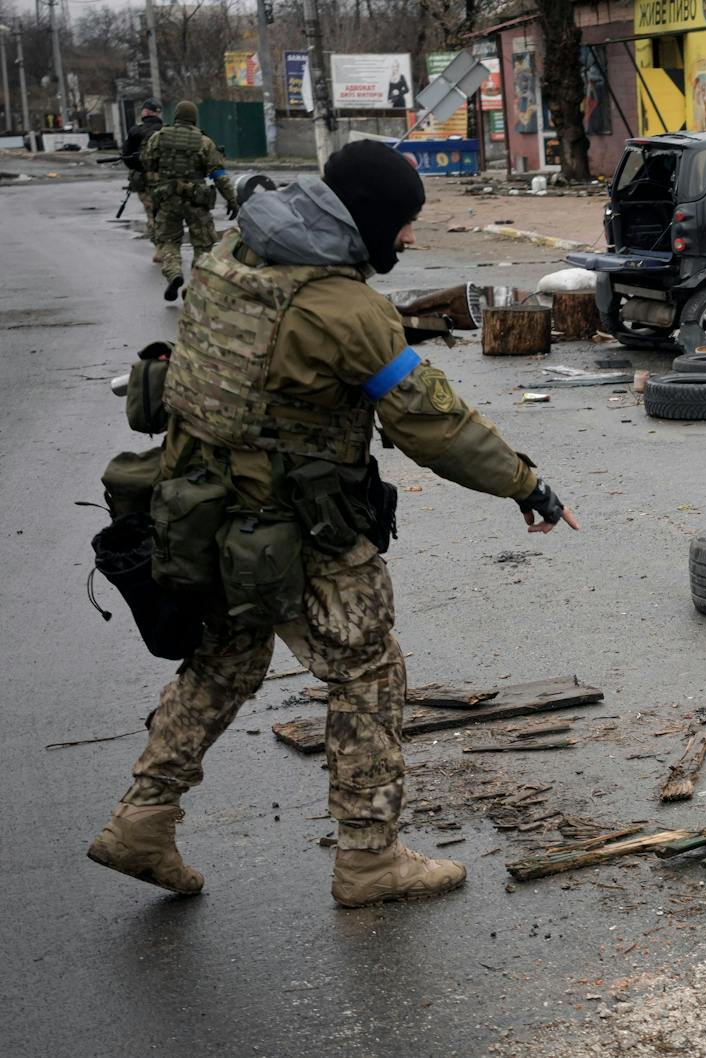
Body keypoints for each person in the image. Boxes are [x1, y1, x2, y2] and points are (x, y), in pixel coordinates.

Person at [87, 141, 581, 908]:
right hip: (296, 529)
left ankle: (141, 821)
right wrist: (526, 484)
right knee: (369, 672)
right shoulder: (346, 310)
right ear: (370, 220)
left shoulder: (233, 252)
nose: (411, 239)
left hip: (195, 509)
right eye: (405, 224)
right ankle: (369, 858)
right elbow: (432, 424)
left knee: (223, 663)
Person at [140, 100, 239, 302]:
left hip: (168, 199)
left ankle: (174, 273)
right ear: (194, 117)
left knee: (168, 242)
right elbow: (219, 175)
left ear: (175, 116)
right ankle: (195, 283)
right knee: (203, 245)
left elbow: (147, 163)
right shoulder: (205, 142)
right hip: (196, 200)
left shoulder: (158, 138)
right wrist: (232, 200)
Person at [119, 99, 165, 261]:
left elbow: (126, 157)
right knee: (166, 213)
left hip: (144, 180)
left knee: (151, 214)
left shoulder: (135, 131)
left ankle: (160, 248)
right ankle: (170, 247)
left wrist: (140, 164)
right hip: (166, 180)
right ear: (158, 113)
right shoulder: (167, 130)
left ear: (145, 112)